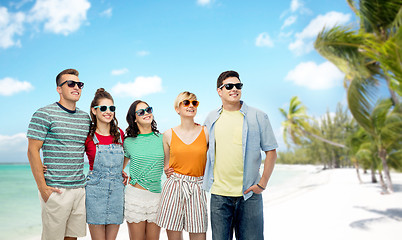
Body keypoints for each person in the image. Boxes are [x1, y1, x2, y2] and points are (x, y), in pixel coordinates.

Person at [203, 70, 278, 240]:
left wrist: (262, 184)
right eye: (229, 86)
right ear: (219, 91)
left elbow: (271, 151)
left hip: (250, 195)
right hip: (219, 196)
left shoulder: (258, 116)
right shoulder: (211, 118)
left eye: (238, 85)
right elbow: (200, 148)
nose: (234, 89)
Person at [27, 68, 90, 240]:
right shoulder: (44, 114)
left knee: (72, 237)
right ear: (59, 89)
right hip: (56, 189)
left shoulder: (85, 118)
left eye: (79, 84)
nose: (76, 87)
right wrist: (43, 188)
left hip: (79, 188)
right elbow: (33, 150)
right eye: (71, 83)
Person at [156, 91, 209, 240]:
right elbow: (166, 165)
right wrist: (166, 170)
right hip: (174, 187)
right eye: (186, 102)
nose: (191, 105)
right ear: (177, 109)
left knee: (199, 234)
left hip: (197, 188)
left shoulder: (206, 132)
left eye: (194, 103)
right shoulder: (168, 134)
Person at [84, 88, 126, 240]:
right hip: (95, 192)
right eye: (103, 108)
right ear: (94, 111)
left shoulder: (120, 134)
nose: (108, 111)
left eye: (111, 108)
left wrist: (122, 170)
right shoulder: (88, 136)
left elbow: (128, 155)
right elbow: (72, 156)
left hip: (117, 191)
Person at [123, 100, 164, 240]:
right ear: (134, 118)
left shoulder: (163, 139)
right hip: (135, 197)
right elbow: (119, 168)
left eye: (148, 109)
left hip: (157, 197)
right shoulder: (128, 142)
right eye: (141, 112)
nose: (146, 113)